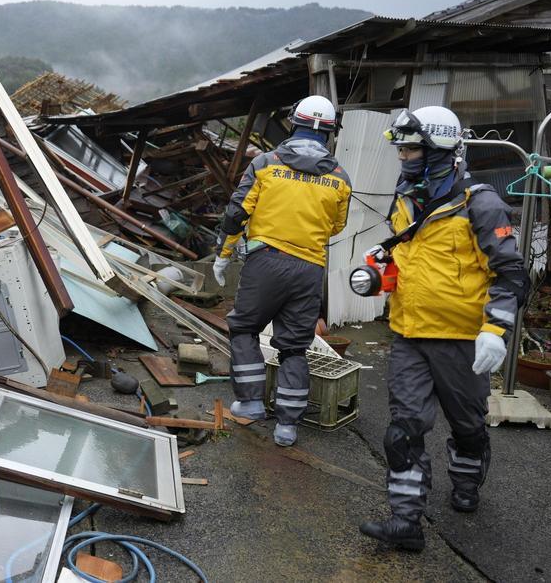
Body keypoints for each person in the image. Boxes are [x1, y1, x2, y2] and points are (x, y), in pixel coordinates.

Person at [358, 106, 528, 552]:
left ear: (439, 149)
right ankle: (406, 521)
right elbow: (411, 257)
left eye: (412, 149)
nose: (404, 157)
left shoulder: (482, 204)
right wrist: (383, 269)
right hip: (410, 335)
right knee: (403, 428)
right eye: (402, 149)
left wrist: (496, 329)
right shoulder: (406, 196)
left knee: (468, 425)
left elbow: (510, 273)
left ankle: (468, 480)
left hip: (463, 341)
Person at [212, 95, 351, 447]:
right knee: (294, 347)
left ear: (294, 122)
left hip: (266, 262)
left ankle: (251, 402)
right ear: (330, 132)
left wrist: (224, 253)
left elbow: (236, 213)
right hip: (309, 270)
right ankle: (287, 427)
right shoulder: (340, 177)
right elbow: (337, 226)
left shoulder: (265, 163)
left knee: (244, 329)